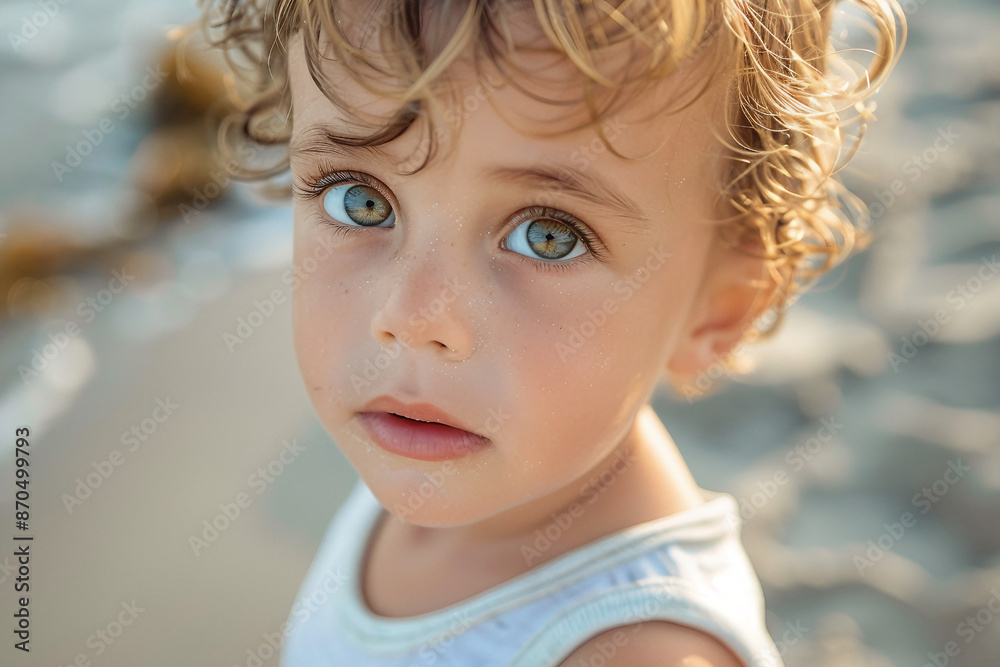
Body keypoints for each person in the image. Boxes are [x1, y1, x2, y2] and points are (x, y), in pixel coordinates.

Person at [194, 0, 904, 664]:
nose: (412, 318)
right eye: (361, 200)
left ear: (719, 308)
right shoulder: (435, 439)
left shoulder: (635, 650)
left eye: (547, 236)